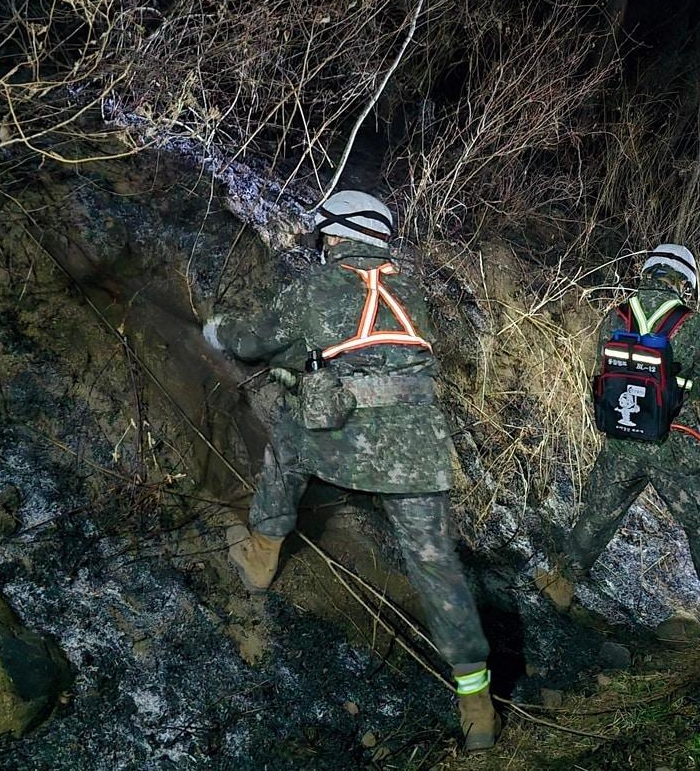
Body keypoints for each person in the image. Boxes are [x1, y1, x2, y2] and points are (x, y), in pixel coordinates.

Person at [203, 190, 498, 751]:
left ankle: (261, 557)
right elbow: (372, 349)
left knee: (285, 446)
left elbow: (256, 342)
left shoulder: (316, 285)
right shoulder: (412, 291)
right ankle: (476, 702)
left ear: (334, 236)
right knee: (437, 564)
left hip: (345, 439)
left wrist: (219, 330)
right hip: (420, 445)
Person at [532, 244, 700, 655]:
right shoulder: (695, 325)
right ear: (685, 281)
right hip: (676, 442)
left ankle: (562, 584)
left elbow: (594, 370)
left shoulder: (615, 315)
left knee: (600, 512)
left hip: (623, 437)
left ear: (648, 271)